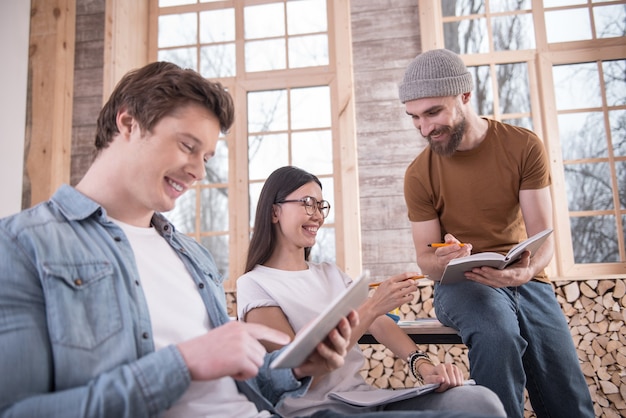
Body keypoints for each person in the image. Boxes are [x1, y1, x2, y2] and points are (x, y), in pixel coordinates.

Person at [0, 61, 364, 418]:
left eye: (206, 157)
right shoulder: (22, 245)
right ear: (128, 123)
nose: (200, 171)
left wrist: (296, 368)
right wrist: (184, 363)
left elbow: (238, 384)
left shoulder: (193, 256)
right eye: (188, 146)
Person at [399, 49, 595, 418]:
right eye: (414, 118)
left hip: (526, 280)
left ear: (465, 96)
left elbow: (544, 235)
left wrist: (525, 272)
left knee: (566, 390)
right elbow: (425, 259)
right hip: (462, 284)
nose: (425, 129)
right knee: (497, 334)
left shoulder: (522, 146)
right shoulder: (418, 174)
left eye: (433, 113)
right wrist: (442, 260)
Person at [237, 166, 507, 418]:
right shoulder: (254, 284)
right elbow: (298, 373)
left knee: (482, 401)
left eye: (321, 205)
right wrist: (372, 307)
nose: (317, 215)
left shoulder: (330, 273)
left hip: (361, 399)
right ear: (274, 212)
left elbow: (378, 323)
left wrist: (425, 368)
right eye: (307, 203)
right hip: (316, 410)